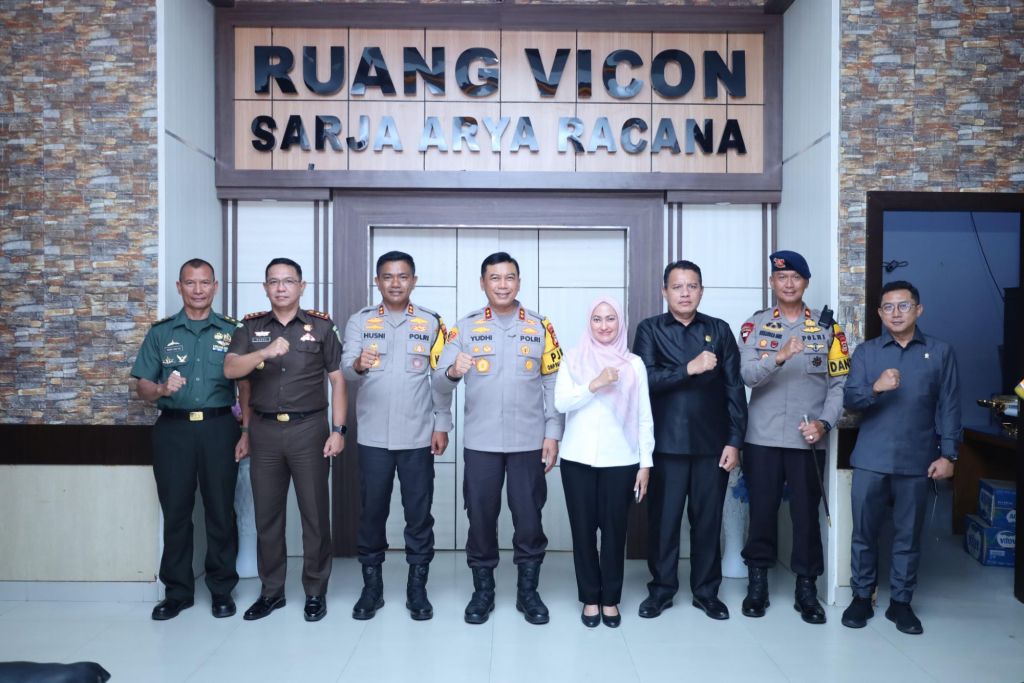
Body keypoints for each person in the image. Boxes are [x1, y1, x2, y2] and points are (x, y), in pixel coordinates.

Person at [434, 251, 564, 625]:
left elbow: (554, 381)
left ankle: (528, 593)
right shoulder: (464, 328)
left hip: (528, 442)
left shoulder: (540, 326)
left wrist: (553, 433)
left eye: (509, 278)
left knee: (529, 518)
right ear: (483, 283)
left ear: (518, 282)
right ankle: (483, 592)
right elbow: (438, 382)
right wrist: (453, 372)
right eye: (495, 278)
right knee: (480, 517)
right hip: (481, 443)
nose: (502, 285)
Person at [224, 257, 346, 623]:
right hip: (264, 430)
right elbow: (231, 370)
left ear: (301, 286)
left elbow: (338, 380)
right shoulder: (250, 327)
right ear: (265, 288)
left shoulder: (321, 326)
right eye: (274, 281)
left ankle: (315, 591)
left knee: (314, 515)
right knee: (268, 516)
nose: (281, 287)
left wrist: (338, 430)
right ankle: (271, 591)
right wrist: (264, 352)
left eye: (288, 281)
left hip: (309, 429)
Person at [841, 280, 960, 635]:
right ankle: (861, 596)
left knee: (908, 536)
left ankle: (901, 603)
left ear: (918, 310)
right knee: (864, 533)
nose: (896, 313)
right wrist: (875, 387)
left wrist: (949, 454)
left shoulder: (940, 352)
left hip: (917, 460)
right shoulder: (867, 352)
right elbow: (850, 399)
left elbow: (949, 406)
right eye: (888, 307)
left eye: (904, 306)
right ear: (879, 313)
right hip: (871, 458)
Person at [131, 258, 248, 621]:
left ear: (215, 287)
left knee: (220, 511)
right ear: (179, 287)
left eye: (205, 282)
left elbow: (246, 385)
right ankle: (177, 592)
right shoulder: (161, 333)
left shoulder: (233, 331)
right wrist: (162, 389)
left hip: (219, 428)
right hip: (174, 431)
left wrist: (246, 431)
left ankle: (222, 589)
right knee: (177, 512)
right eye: (190, 283)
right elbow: (142, 387)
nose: (198, 290)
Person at [737, 250, 849, 624]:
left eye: (795, 277)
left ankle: (807, 590)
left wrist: (824, 424)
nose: (788, 283)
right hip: (763, 438)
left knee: (805, 517)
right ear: (772, 282)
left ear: (806, 283)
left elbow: (839, 385)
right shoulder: (755, 325)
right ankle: (757, 586)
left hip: (808, 439)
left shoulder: (828, 328)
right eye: (781, 277)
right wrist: (779, 356)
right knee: (761, 513)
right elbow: (748, 376)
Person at [341, 251, 451, 621]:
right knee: (372, 513)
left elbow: (440, 379)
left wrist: (441, 423)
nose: (395, 283)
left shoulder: (431, 322)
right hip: (373, 437)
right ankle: (371, 589)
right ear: (377, 281)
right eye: (387, 276)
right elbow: (346, 370)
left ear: (413, 281)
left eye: (403, 276)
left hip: (418, 436)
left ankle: (417, 589)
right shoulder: (360, 321)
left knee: (418, 515)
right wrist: (358, 364)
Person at [634, 260, 746, 621]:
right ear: (664, 291)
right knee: (664, 523)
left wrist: (735, 441)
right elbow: (644, 381)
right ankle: (661, 590)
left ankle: (706, 593)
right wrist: (689, 369)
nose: (685, 293)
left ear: (701, 290)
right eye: (677, 286)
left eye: (692, 286)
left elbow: (734, 388)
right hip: (665, 445)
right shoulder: (650, 329)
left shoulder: (719, 330)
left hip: (712, 446)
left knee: (707, 522)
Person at [554, 296, 653, 629]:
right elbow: (561, 402)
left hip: (621, 461)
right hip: (577, 459)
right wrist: (594, 384)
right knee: (583, 532)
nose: (604, 325)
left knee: (614, 532)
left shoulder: (634, 364)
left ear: (620, 323)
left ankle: (610, 599)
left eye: (611, 318)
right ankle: (590, 598)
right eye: (597, 319)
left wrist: (645, 464)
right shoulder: (572, 358)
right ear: (589, 323)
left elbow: (644, 418)